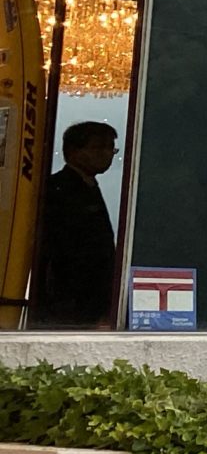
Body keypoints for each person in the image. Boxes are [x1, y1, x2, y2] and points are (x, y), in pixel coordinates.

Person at [32, 120, 119, 329]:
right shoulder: (58, 189)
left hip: (91, 302)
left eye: (111, 148)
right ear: (74, 151)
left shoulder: (88, 185)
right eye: (98, 147)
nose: (107, 154)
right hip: (69, 304)